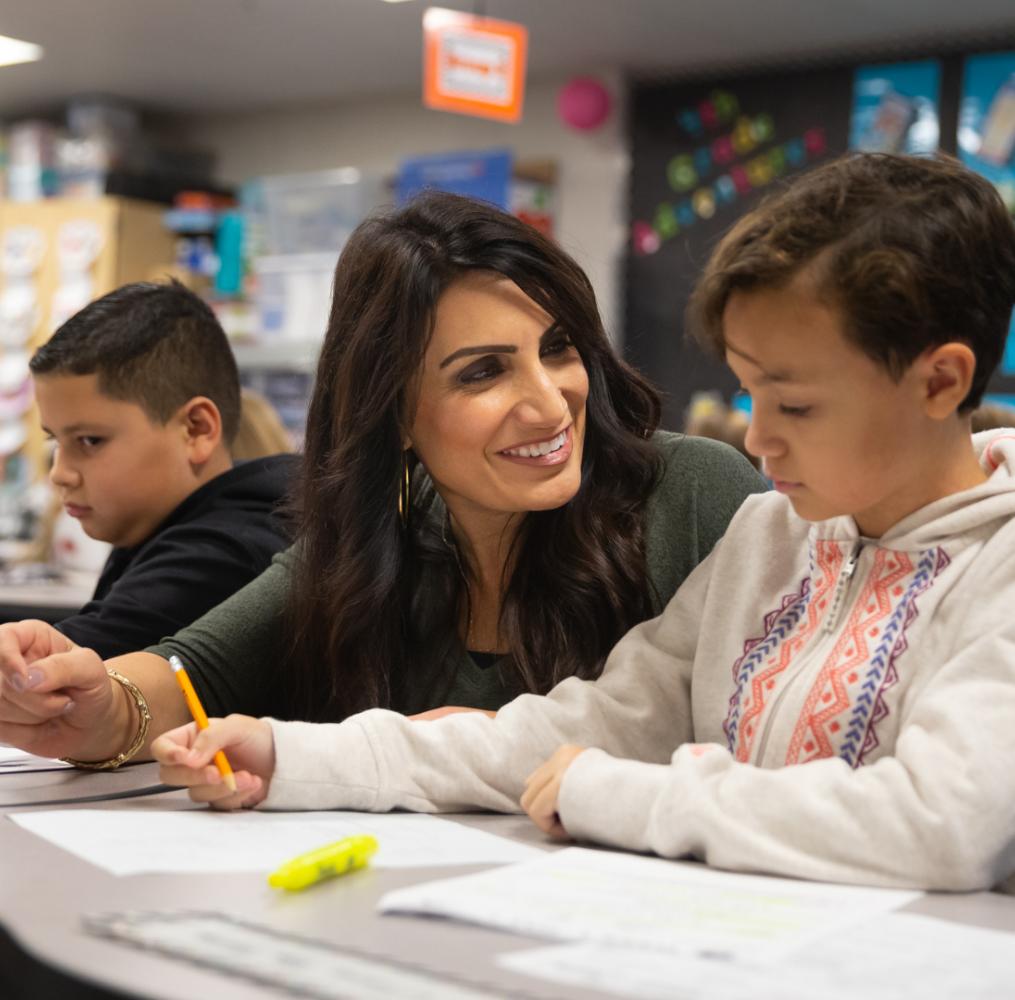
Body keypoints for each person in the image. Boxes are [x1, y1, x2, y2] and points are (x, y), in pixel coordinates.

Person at [154, 154, 1015, 893]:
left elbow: (941, 824)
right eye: (750, 393)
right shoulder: (770, 538)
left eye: (793, 402)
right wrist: (292, 757)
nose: (756, 436)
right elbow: (584, 724)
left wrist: (622, 795)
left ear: (939, 383)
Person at [0, 192, 764, 768]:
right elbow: (191, 670)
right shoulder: (388, 523)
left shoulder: (692, 492)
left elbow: (769, 757)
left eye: (559, 349)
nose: (550, 402)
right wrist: (101, 705)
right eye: (484, 372)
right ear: (393, 412)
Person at [25, 280, 295, 663]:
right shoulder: (152, 528)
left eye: (89, 441)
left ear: (196, 430)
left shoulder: (223, 554)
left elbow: (50, 674)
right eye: (55, 441)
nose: (60, 474)